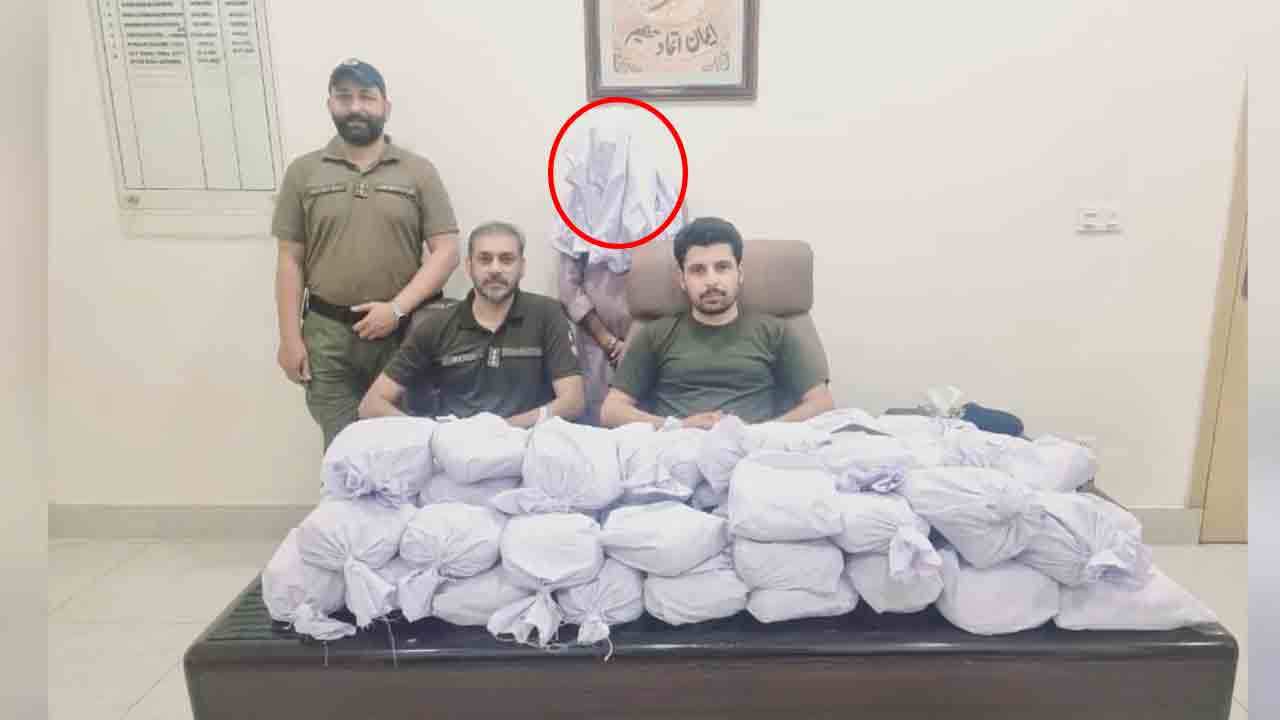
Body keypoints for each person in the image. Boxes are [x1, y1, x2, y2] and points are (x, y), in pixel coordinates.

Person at [272, 58, 461, 449]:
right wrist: (290, 338)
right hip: (327, 337)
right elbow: (289, 260)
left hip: (401, 334)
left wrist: (396, 309)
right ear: (330, 105)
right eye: (344, 97)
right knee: (343, 449)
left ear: (385, 107)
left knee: (405, 448)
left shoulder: (418, 171)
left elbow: (446, 251)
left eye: (366, 97)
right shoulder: (303, 173)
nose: (355, 106)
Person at [600, 217, 834, 429]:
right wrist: (678, 427)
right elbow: (612, 410)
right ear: (682, 280)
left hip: (754, 451)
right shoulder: (655, 334)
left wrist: (761, 434)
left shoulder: (775, 331)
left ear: (739, 273)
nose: (711, 281)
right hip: (678, 448)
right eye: (698, 270)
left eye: (722, 267)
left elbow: (821, 403)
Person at [359, 222, 585, 427]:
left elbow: (573, 401)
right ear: (469, 266)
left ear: (522, 267)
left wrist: (503, 430)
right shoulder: (435, 325)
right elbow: (371, 404)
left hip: (527, 444)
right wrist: (432, 433)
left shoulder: (548, 314)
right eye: (484, 259)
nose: (495, 269)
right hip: (455, 448)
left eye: (506, 259)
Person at [553, 125, 688, 425]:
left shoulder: (665, 201)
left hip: (656, 338)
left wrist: (638, 342)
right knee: (600, 421)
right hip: (596, 340)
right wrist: (608, 341)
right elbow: (568, 287)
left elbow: (675, 281)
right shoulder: (577, 205)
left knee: (652, 424)